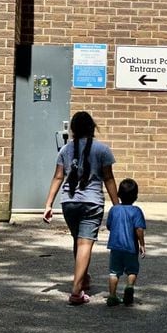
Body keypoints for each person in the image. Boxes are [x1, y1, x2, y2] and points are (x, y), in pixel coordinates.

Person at [43, 111, 119, 305]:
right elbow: (109, 178)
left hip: (69, 202)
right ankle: (76, 292)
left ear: (73, 130)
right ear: (92, 128)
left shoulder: (65, 150)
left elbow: (58, 177)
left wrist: (48, 204)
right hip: (92, 202)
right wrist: (117, 205)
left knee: (78, 241)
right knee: (85, 244)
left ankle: (83, 279)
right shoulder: (102, 150)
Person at [105, 178, 146, 306]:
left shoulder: (114, 209)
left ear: (119, 194)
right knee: (132, 270)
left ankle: (112, 296)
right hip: (130, 248)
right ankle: (129, 287)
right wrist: (142, 244)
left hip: (115, 247)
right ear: (136, 196)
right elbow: (139, 229)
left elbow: (109, 226)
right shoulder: (136, 211)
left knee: (114, 272)